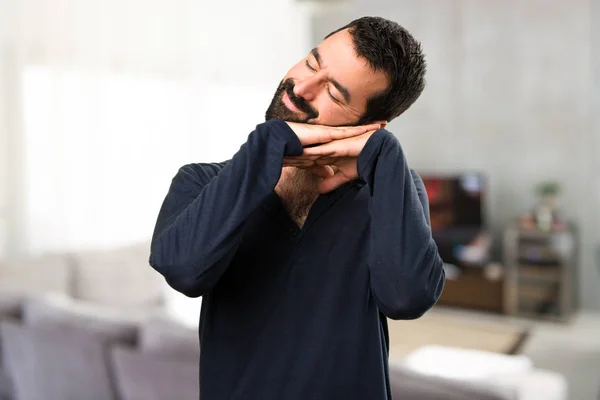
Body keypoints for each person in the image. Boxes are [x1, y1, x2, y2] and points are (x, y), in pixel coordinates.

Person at [150, 16, 445, 400]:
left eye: (335, 94)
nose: (302, 88)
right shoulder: (201, 181)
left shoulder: (390, 192)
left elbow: (407, 297)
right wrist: (268, 144)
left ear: (368, 126)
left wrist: (386, 156)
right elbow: (183, 270)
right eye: (311, 62)